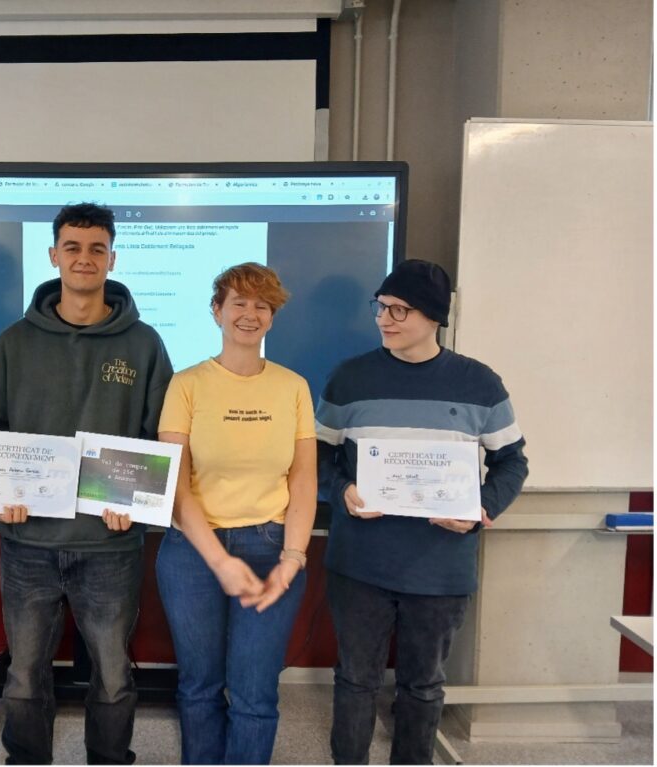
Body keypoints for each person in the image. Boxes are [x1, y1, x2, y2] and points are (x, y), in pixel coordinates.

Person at [0, 202, 173, 765]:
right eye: (72, 247)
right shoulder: (13, 342)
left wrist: (136, 502)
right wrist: (1, 494)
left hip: (110, 544)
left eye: (96, 249)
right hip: (27, 543)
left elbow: (159, 438)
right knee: (23, 676)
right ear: (53, 255)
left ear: (112, 258)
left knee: (113, 676)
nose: (84, 258)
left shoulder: (144, 344)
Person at [315, 259, 528, 765]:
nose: (383, 318)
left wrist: (481, 507)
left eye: (399, 310)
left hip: (440, 568)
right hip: (360, 564)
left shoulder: (480, 384)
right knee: (355, 680)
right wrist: (342, 490)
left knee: (424, 685)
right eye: (381, 306)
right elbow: (316, 458)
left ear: (434, 317)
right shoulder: (349, 379)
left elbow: (512, 462)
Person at [155, 262, 317, 765]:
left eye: (262, 305)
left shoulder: (293, 387)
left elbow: (303, 480)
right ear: (216, 311)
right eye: (239, 303)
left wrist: (292, 559)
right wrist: (220, 561)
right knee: (199, 686)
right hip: (192, 551)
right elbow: (177, 486)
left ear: (273, 316)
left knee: (255, 693)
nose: (250, 314)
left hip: (272, 548)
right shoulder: (187, 385)